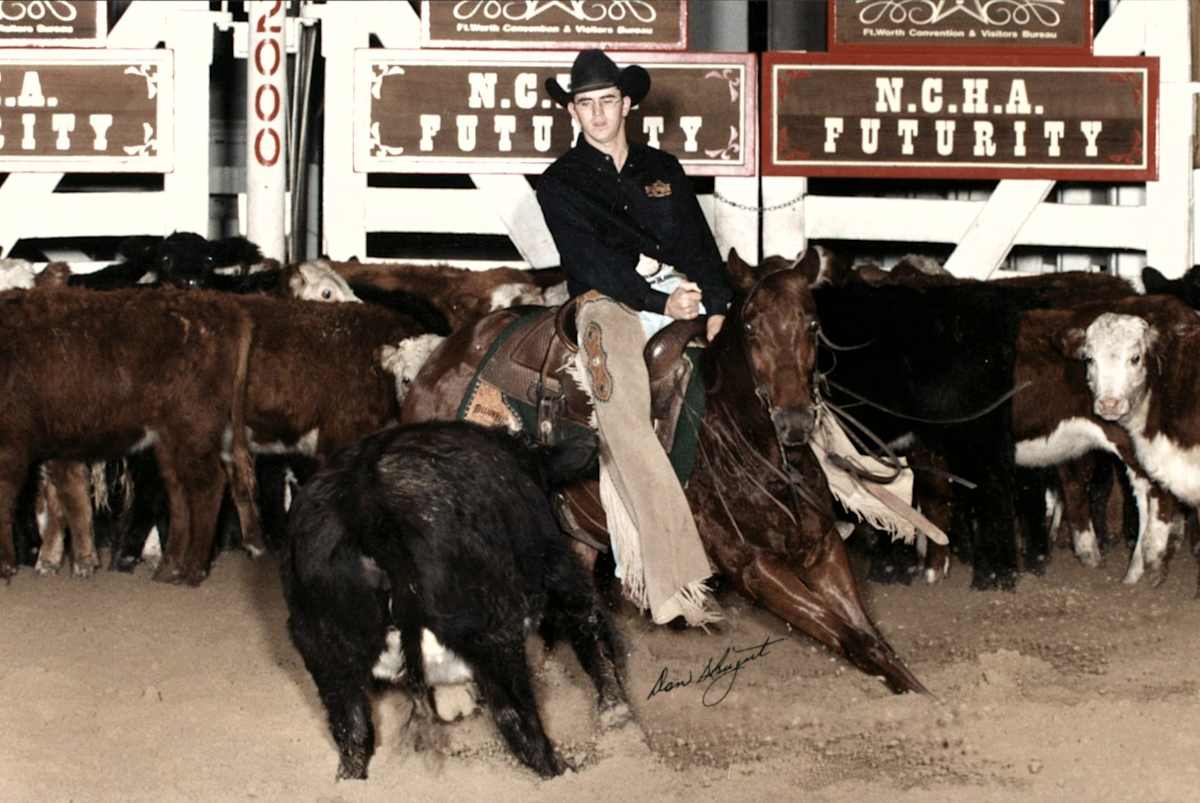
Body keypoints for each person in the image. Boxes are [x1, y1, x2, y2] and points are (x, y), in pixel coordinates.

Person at [536, 49, 732, 628]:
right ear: (573, 112)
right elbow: (590, 263)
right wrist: (658, 302)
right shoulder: (560, 182)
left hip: (681, 291)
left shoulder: (661, 171)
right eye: (584, 105)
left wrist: (717, 303)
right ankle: (675, 580)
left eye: (606, 102)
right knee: (623, 412)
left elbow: (698, 240)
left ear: (627, 104)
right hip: (607, 304)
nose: (597, 115)